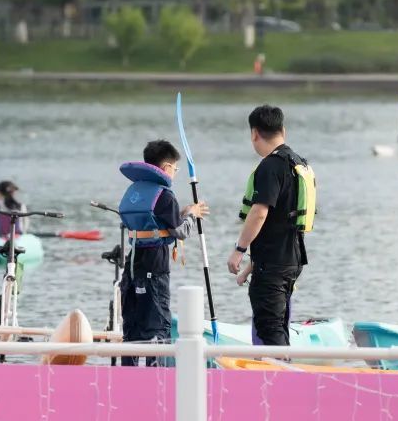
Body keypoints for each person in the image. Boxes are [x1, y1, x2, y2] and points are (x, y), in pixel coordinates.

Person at [228, 105, 316, 346]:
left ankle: (279, 368)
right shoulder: (297, 163)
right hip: (291, 259)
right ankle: (282, 363)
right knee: (278, 323)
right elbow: (279, 223)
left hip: (274, 265)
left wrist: (239, 250)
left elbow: (259, 213)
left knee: (270, 328)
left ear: (254, 133)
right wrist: (249, 269)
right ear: (283, 131)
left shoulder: (270, 166)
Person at [117, 140, 207, 366]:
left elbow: (158, 222)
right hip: (155, 264)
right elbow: (180, 232)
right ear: (166, 167)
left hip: (133, 263)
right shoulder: (165, 195)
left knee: (133, 326)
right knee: (158, 324)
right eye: (175, 168)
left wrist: (183, 213)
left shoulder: (137, 190)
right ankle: (157, 377)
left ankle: (127, 374)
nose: (175, 172)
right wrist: (192, 215)